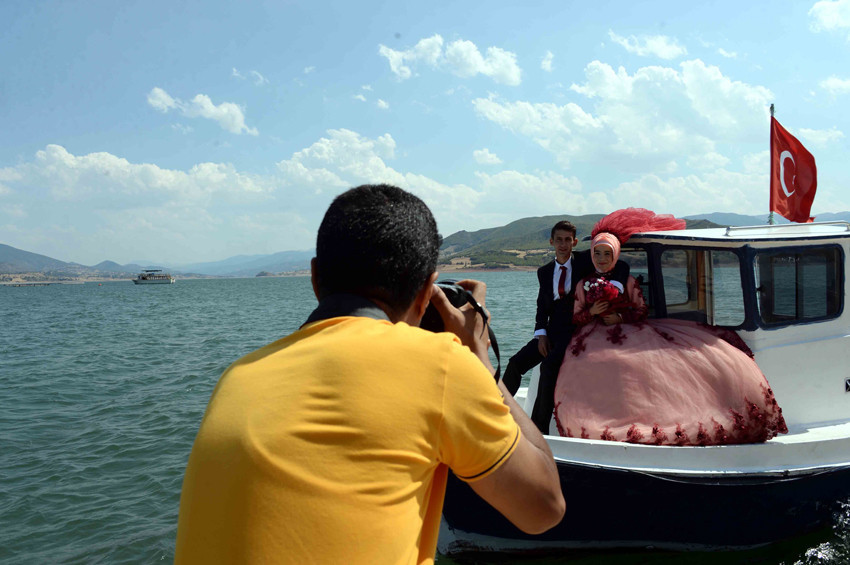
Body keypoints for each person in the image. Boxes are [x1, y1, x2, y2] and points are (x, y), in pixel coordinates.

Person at [175, 184, 564, 564]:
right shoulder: (441, 365)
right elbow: (544, 509)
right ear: (427, 292)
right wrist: (479, 359)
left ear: (315, 278)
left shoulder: (238, 376)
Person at [553, 208, 788, 445]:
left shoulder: (628, 281)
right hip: (592, 335)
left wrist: (620, 318)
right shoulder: (583, 284)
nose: (602, 258)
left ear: (615, 255)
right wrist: (592, 313)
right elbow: (577, 317)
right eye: (598, 253)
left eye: (607, 253)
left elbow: (641, 311)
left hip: (628, 331)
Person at [501, 220, 629, 433]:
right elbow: (542, 306)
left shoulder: (584, 262)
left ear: (574, 242)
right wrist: (540, 334)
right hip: (551, 330)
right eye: (559, 240)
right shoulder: (544, 271)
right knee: (515, 363)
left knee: (547, 367)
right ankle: (496, 411)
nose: (563, 244)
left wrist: (615, 286)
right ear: (551, 242)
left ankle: (538, 429)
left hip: (577, 329)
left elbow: (621, 264)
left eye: (567, 240)